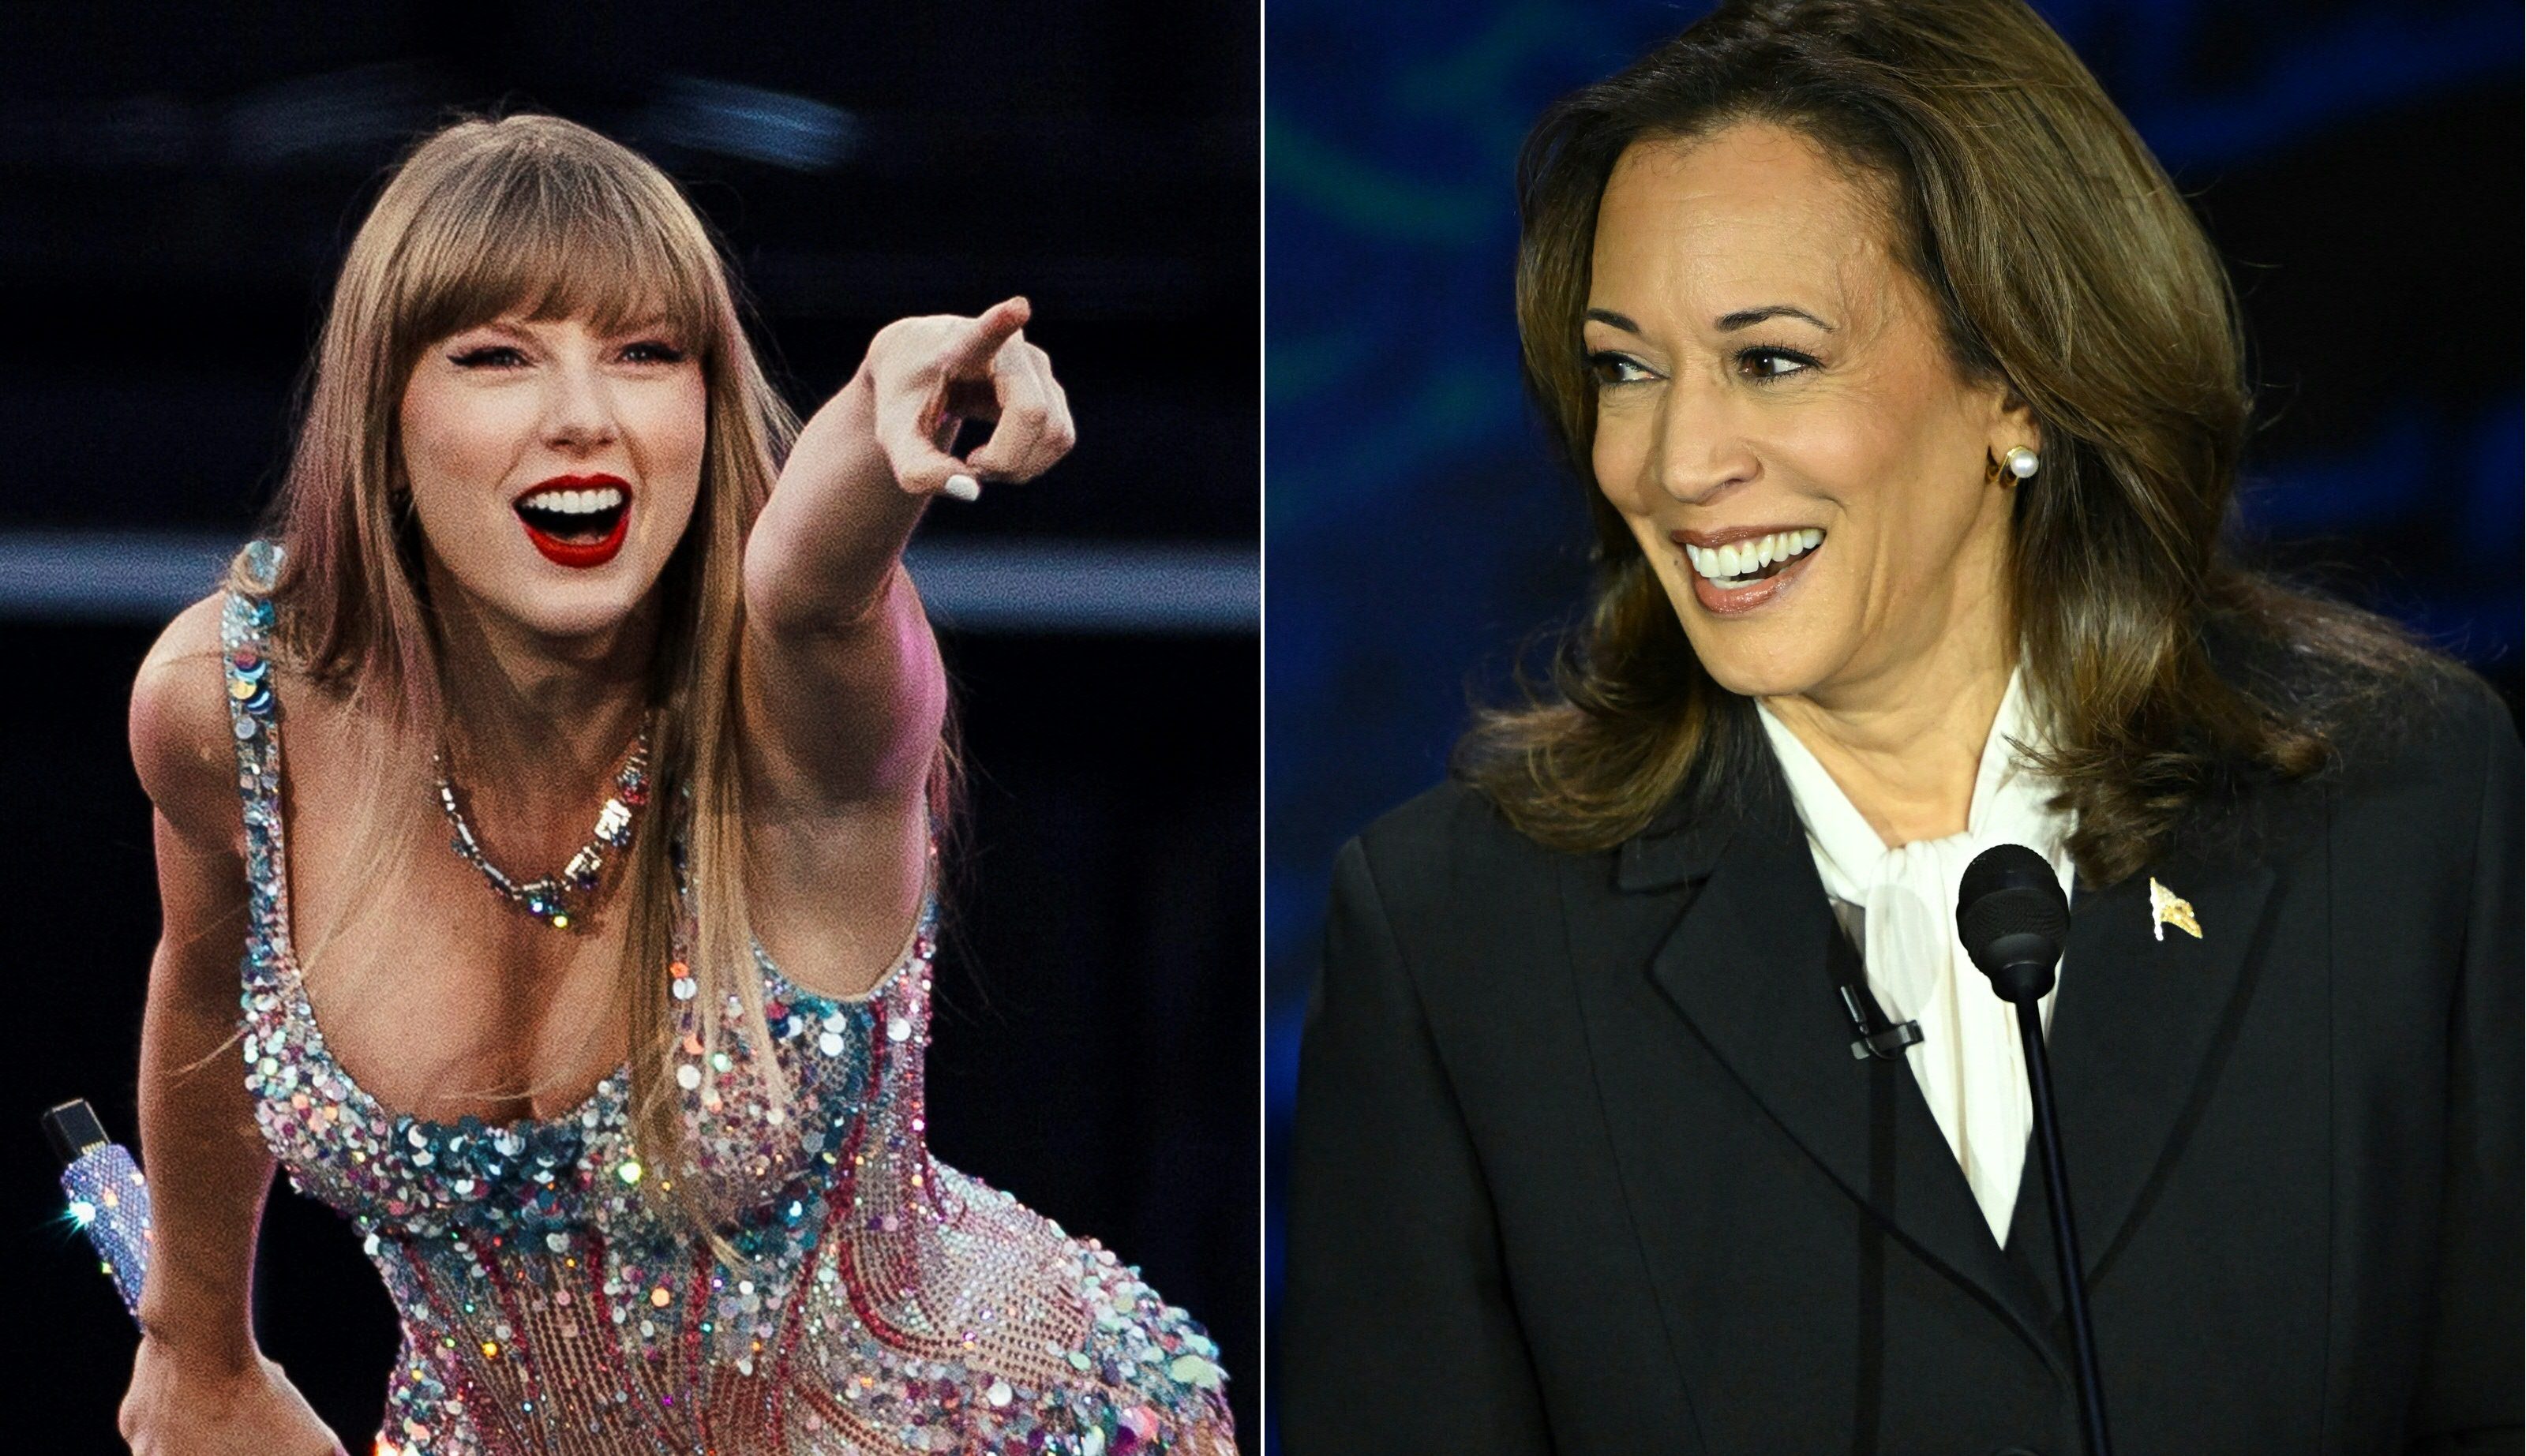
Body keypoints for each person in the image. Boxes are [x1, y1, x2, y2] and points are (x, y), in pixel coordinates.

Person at [1281, 2, 2520, 1452]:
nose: (1678, 463)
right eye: (1626, 367)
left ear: (2019, 381)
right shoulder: (1455, 938)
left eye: (1774, 359)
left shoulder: (2405, 805)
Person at [117, 114, 1234, 1456]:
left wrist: (892, 399)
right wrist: (199, 1348)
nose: (583, 414)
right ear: (385, 416)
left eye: (647, 353)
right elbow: (203, 976)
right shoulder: (232, 711)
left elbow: (811, 587)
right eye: (496, 356)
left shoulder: (797, 710)